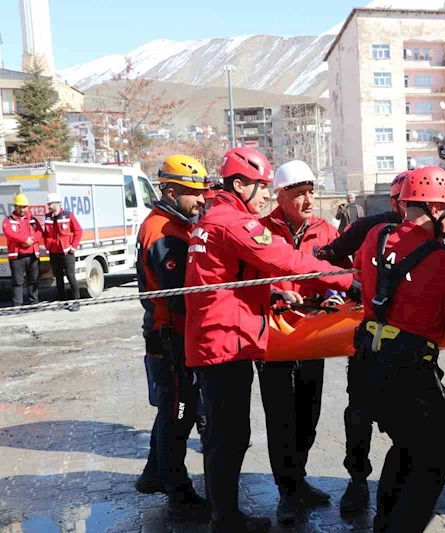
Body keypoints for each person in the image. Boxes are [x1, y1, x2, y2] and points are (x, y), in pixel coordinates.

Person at [184, 147, 358, 533]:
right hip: (226, 344)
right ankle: (227, 519)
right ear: (239, 184)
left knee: (233, 435)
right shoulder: (234, 222)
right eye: (261, 186)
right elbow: (288, 261)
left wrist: (273, 294)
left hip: (228, 340)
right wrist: (349, 281)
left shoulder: (215, 220)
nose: (264, 194)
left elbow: (230, 279)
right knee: (229, 437)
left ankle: (228, 514)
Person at [353, 165, 445, 532]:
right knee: (433, 459)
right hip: (411, 370)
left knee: (404, 446)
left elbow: (360, 272)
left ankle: (384, 523)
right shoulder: (442, 259)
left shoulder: (376, 236)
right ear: (437, 209)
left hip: (369, 362)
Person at [321, 171, 408, 516]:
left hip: (412, 338)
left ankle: (405, 478)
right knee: (359, 413)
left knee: (411, 413)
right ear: (395, 202)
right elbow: (327, 256)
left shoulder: (435, 228)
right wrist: (350, 286)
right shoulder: (369, 227)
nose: (416, 209)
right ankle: (357, 479)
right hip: (369, 333)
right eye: (408, 202)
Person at [257, 160, 339, 524]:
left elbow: (342, 273)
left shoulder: (327, 231)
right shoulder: (259, 231)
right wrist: (274, 293)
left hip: (313, 336)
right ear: (280, 196)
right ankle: (287, 492)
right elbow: (247, 279)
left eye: (310, 192)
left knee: (308, 414)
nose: (308, 201)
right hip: (274, 339)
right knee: (281, 419)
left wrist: (335, 297)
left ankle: (299, 479)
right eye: (299, 194)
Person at [134, 155, 211, 522]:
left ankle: (154, 473)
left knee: (170, 408)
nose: (201, 199)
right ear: (169, 192)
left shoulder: (173, 226)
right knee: (180, 412)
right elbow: (180, 297)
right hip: (171, 339)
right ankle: (178, 491)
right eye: (193, 193)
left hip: (166, 335)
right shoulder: (164, 233)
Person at [3, 193, 43, 307]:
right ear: (15, 206)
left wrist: (32, 240)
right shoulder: (8, 220)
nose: (22, 209)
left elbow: (40, 232)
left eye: (24, 207)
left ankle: (34, 302)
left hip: (32, 255)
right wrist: (24, 240)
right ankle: (17, 304)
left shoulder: (33, 220)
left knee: (33, 280)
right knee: (17, 281)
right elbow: (9, 233)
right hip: (17, 257)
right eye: (20, 207)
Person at [43, 193, 83, 304]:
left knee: (70, 276)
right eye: (48, 204)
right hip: (53, 252)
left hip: (66, 252)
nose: (48, 206)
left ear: (57, 203)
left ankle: (76, 300)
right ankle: (62, 300)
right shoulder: (47, 217)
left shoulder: (68, 215)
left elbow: (78, 231)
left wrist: (74, 246)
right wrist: (48, 247)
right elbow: (46, 234)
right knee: (58, 277)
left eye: (50, 204)